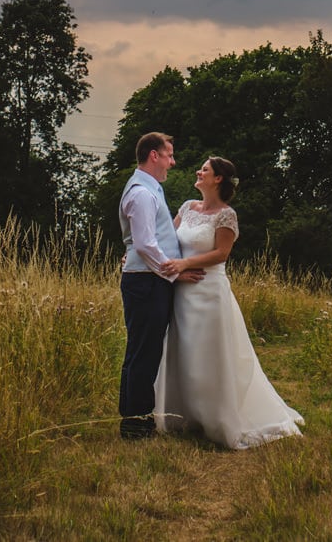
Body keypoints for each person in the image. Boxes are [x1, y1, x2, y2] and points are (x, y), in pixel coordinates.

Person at [154, 156, 305, 449]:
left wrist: (184, 263)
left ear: (218, 179)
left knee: (209, 353)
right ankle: (184, 415)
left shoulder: (227, 215)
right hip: (182, 292)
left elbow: (221, 253)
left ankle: (217, 417)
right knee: (182, 350)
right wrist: (140, 254)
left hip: (209, 292)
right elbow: (166, 240)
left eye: (205, 170)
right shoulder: (186, 207)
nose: (198, 172)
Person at [117, 131, 199, 439]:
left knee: (141, 351)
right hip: (147, 283)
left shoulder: (149, 189)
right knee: (144, 353)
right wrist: (175, 273)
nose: (173, 161)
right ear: (154, 155)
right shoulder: (141, 192)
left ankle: (133, 420)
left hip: (147, 281)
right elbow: (145, 244)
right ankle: (137, 424)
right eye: (169, 155)